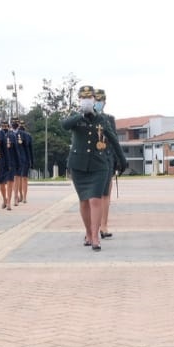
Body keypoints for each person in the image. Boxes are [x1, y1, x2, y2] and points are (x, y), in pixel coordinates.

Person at [63, 85, 125, 252]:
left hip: (99, 165)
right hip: (78, 166)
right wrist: (80, 114)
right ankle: (88, 232)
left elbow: (113, 140)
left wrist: (122, 161)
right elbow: (64, 125)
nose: (87, 101)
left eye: (89, 98)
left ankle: (96, 236)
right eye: (83, 98)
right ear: (79, 100)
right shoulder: (76, 118)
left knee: (95, 200)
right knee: (84, 201)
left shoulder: (102, 119)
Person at [94, 89, 126, 239]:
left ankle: (104, 225)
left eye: (101, 101)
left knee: (105, 194)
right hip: (91, 160)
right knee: (92, 196)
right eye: (96, 100)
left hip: (106, 159)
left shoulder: (109, 119)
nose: (99, 103)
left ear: (104, 102)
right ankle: (92, 228)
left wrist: (116, 162)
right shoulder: (85, 118)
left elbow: (114, 142)